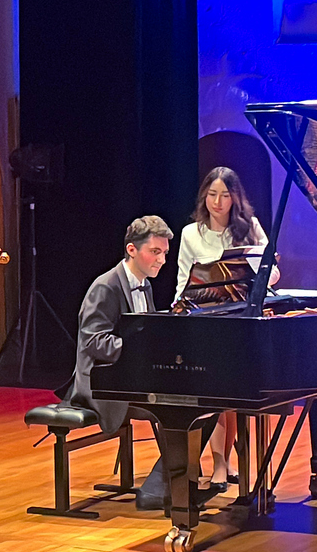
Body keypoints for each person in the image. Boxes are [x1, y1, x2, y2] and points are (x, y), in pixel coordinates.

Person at [58, 215, 217, 511]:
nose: (162, 260)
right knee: (180, 406)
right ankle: (162, 489)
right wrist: (139, 352)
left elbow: (147, 334)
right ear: (132, 249)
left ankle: (171, 485)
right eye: (155, 252)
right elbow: (93, 342)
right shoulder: (105, 287)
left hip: (132, 378)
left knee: (207, 402)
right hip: (102, 385)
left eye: (165, 253)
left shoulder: (145, 285)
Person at [173, 167, 277, 490]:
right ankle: (220, 464)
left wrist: (261, 271)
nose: (217, 202)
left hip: (241, 319)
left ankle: (231, 462)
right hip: (207, 321)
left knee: (233, 396)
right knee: (219, 393)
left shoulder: (250, 227)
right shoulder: (191, 233)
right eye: (212, 194)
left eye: (225, 195)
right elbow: (183, 280)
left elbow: (272, 271)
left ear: (235, 198)